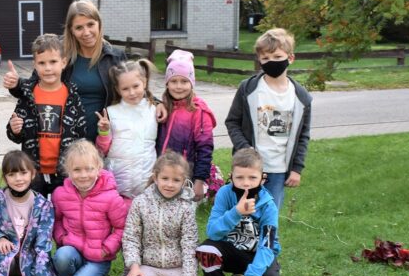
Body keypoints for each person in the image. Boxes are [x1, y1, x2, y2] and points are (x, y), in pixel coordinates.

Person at [3, 0, 127, 141]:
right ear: (71, 30)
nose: (86, 32)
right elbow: (33, 87)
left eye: (90, 24)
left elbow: (132, 92)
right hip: (64, 140)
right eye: (79, 28)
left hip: (104, 138)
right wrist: (16, 83)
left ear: (99, 23)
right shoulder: (59, 53)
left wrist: (153, 104)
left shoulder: (115, 57)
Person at [225, 28, 312, 210]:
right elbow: (232, 122)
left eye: (277, 57)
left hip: (279, 170)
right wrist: (245, 148)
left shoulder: (301, 97)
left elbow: (303, 135)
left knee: (269, 216)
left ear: (290, 58)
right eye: (265, 58)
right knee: (243, 214)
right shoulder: (248, 89)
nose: (271, 62)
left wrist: (297, 168)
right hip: (248, 168)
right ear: (259, 60)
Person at [195, 148, 281, 276]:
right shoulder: (224, 194)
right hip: (232, 251)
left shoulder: (269, 205)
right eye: (239, 177)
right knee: (207, 250)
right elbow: (212, 232)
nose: (246, 183)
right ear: (231, 177)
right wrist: (236, 212)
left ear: (262, 179)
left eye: (252, 177)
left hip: (256, 254)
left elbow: (267, 245)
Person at [5, 34, 87, 196]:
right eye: (42, 63)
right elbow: (14, 134)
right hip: (33, 171)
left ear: (63, 62)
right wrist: (15, 129)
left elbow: (81, 133)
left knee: (62, 208)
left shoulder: (72, 96)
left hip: (64, 171)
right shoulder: (27, 95)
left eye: (53, 62)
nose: (48, 68)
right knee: (34, 208)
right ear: (35, 65)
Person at [0, 151, 65, 276]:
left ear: (32, 174)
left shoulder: (43, 206)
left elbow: (44, 242)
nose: (18, 178)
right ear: (5, 177)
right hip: (2, 260)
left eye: (23, 173)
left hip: (29, 259)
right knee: (1, 252)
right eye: (12, 174)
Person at [121, 152, 200, 276]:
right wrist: (134, 266)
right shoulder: (141, 202)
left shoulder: (186, 207)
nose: (170, 184)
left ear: (184, 182)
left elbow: (190, 245)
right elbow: (131, 237)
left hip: (176, 267)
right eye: (165, 178)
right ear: (156, 178)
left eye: (176, 180)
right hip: (149, 265)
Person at [51, 140, 128, 276]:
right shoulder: (60, 195)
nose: (83, 175)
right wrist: (61, 238)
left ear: (99, 168)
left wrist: (107, 249)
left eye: (89, 169)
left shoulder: (111, 197)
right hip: (72, 251)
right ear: (68, 170)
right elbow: (56, 220)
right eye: (77, 170)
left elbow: (121, 228)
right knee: (61, 256)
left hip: (98, 256)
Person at [156, 49, 216, 202]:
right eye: (173, 81)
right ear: (167, 83)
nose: (178, 86)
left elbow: (205, 149)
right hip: (161, 172)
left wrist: (199, 180)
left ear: (192, 83)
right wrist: (157, 103)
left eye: (184, 81)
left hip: (184, 174)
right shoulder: (164, 107)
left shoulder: (198, 111)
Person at [95, 59, 159, 199]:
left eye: (136, 86)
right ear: (118, 90)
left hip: (146, 181)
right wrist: (104, 132)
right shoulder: (111, 112)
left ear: (144, 82)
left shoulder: (155, 110)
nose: (132, 92)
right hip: (117, 183)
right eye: (125, 89)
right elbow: (102, 150)